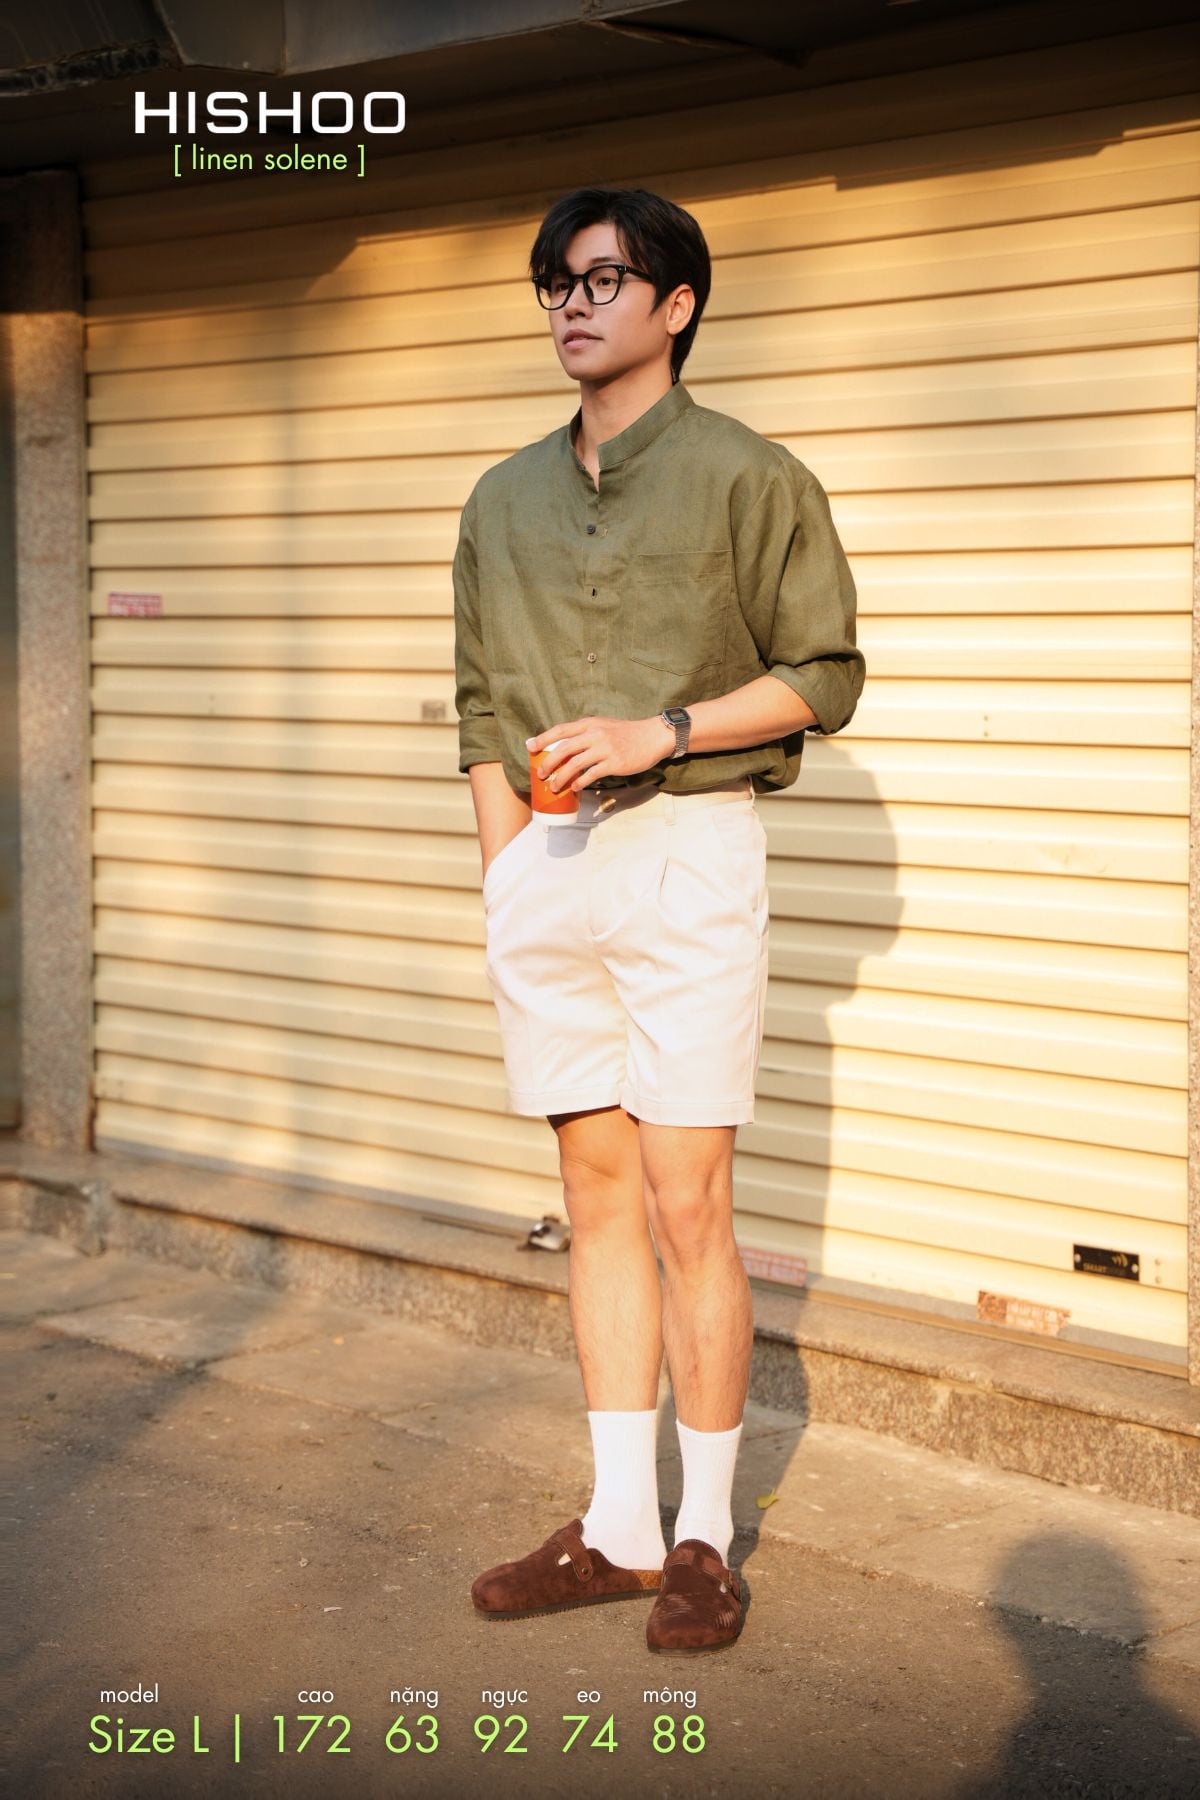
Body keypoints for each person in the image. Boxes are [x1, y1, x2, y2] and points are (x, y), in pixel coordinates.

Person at [453, 185, 865, 1653]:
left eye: (604, 278)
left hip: (690, 846)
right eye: (555, 281)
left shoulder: (752, 475)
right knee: (595, 1199)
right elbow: (480, 703)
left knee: (690, 1203)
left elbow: (823, 673)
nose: (573, 304)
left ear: (677, 305)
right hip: (545, 862)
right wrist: (507, 868)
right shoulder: (500, 498)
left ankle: (704, 1540)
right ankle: (621, 1526)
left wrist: (662, 730)